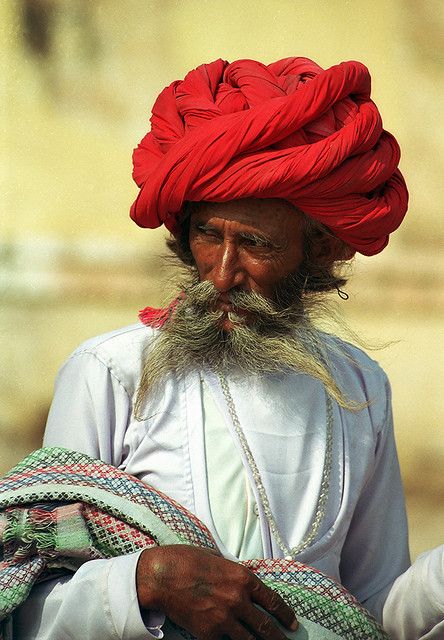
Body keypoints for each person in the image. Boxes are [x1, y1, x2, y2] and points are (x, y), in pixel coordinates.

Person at [11, 57, 443, 640]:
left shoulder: (359, 390)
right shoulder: (110, 372)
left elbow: (370, 615)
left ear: (319, 252)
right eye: (207, 235)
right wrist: (147, 580)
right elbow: (27, 607)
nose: (220, 274)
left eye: (255, 244)